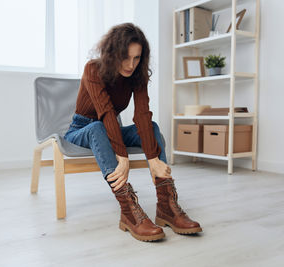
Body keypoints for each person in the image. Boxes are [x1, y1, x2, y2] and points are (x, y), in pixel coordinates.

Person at [63, 23, 202, 242]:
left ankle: (166, 205)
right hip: (82, 129)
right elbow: (106, 113)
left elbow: (142, 116)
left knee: (152, 127)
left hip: (111, 130)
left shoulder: (137, 75)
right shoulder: (93, 69)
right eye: (125, 57)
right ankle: (128, 210)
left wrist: (154, 158)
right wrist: (122, 157)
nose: (131, 65)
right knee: (98, 127)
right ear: (112, 54)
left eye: (137, 58)